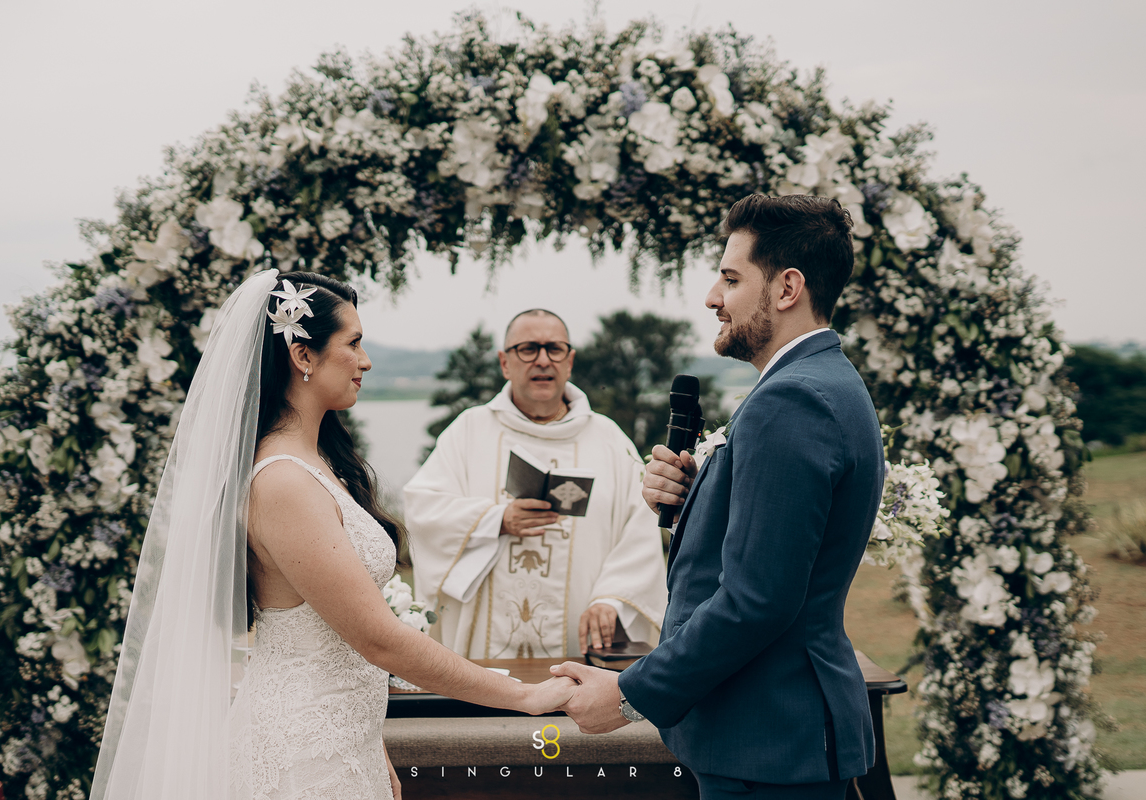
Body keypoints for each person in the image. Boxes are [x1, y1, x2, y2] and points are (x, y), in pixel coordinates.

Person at [90, 271, 575, 800]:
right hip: (298, 757)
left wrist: (368, 742)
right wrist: (524, 697)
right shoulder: (282, 483)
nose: (366, 361)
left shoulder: (315, 463)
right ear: (303, 357)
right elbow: (377, 639)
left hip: (339, 743)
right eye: (354, 343)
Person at [551, 195, 886, 800]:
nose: (712, 297)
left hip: (768, 741)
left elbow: (759, 598)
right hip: (773, 736)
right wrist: (687, 501)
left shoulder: (793, 401)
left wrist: (628, 696)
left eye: (731, 278)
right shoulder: (819, 381)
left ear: (787, 288)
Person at [403, 309, 668, 659]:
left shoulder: (609, 441)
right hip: (485, 649)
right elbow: (423, 507)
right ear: (504, 362)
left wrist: (612, 599)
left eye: (554, 349)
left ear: (569, 361)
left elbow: (640, 534)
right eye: (528, 348)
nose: (543, 360)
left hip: (580, 644)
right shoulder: (470, 430)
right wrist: (495, 520)